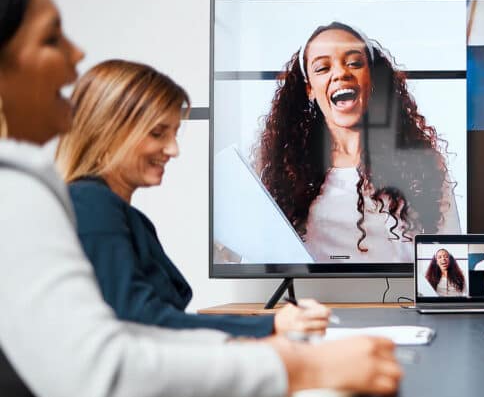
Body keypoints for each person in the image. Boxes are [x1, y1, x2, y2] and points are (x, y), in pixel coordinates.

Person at [0, 0, 401, 397]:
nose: (172, 149)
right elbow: (121, 350)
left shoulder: (103, 209)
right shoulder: (62, 200)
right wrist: (289, 355)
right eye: (157, 133)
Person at [54, 59, 324, 338]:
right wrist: (272, 325)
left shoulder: (124, 216)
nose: (173, 149)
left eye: (174, 133)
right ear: (106, 131)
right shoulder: (92, 204)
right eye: (158, 133)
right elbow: (140, 321)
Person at [257, 21, 460, 263]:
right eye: (322, 68)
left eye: (354, 63)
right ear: (309, 88)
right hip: (315, 298)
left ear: (371, 78)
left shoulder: (421, 162)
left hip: (400, 298)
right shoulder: (284, 171)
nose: (341, 73)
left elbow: (451, 251)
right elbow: (260, 254)